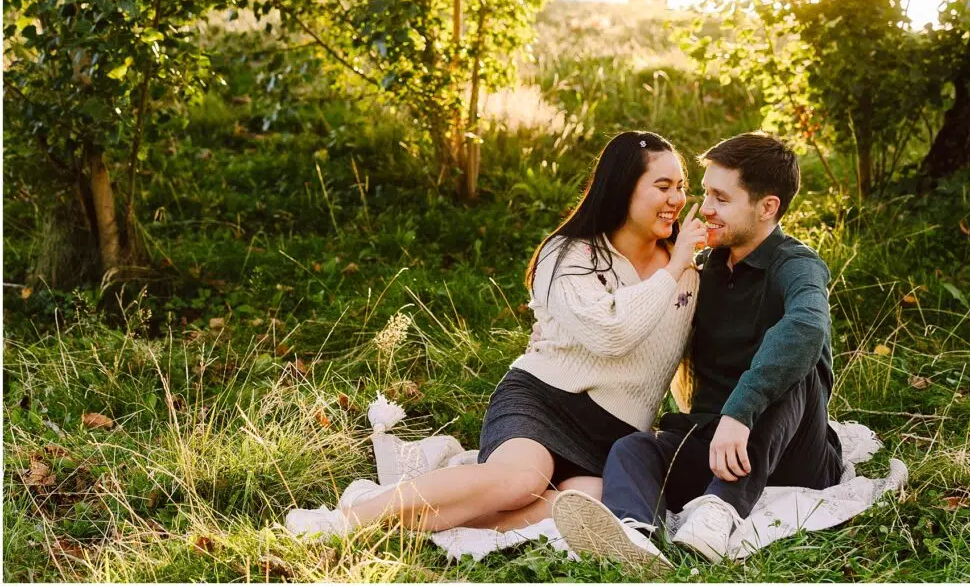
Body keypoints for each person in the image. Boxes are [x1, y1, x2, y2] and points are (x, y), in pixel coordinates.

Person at [285, 131, 707, 537]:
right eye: (662, 186)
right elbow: (611, 334)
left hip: (615, 436)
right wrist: (674, 268)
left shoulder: (692, 274)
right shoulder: (568, 254)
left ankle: (404, 522)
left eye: (681, 187)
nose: (677, 200)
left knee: (594, 504)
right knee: (520, 482)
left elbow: (695, 360)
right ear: (623, 188)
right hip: (547, 402)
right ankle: (348, 520)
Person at [553, 132, 845, 573]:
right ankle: (637, 537)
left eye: (721, 199)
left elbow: (807, 326)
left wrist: (740, 412)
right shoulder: (705, 270)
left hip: (793, 454)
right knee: (634, 449)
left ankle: (719, 510)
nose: (704, 208)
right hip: (714, 442)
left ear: (767, 207)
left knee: (794, 367)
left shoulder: (796, 264)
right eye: (706, 193)